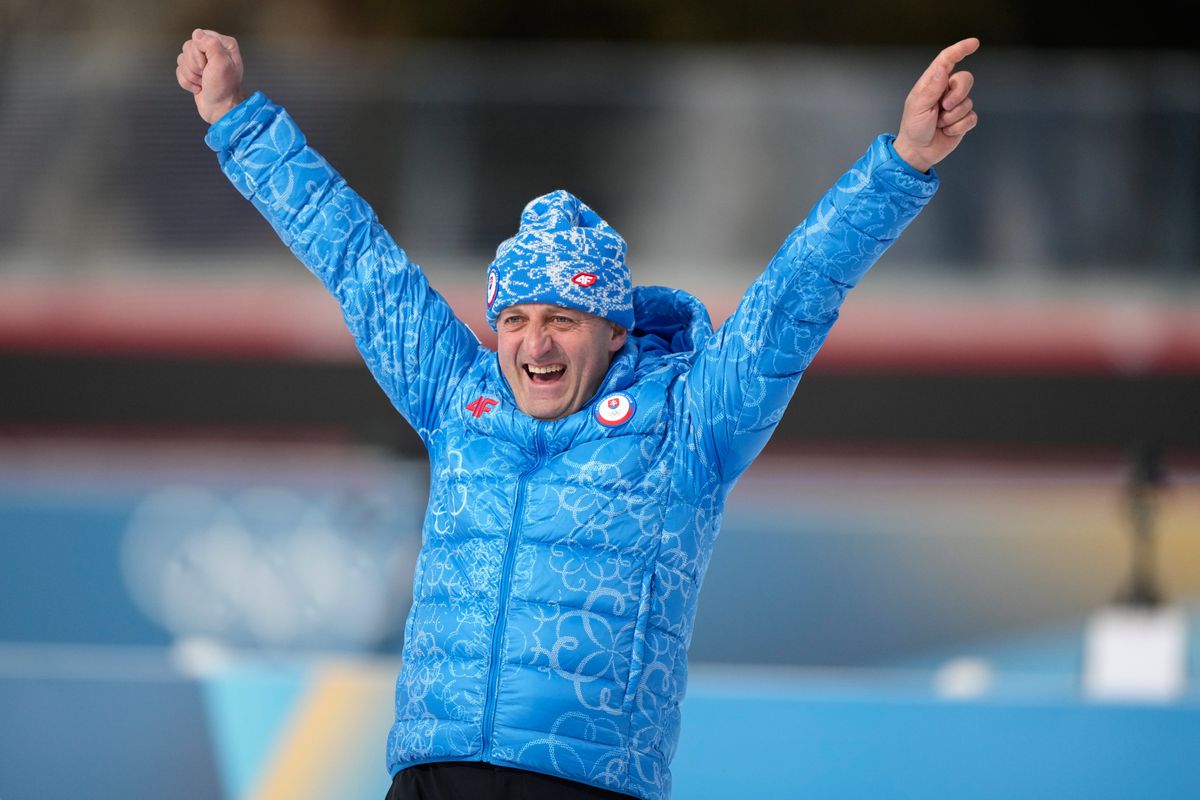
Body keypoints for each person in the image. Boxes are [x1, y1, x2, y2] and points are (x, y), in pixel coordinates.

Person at [177, 29, 978, 800]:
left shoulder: (689, 423)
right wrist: (238, 117)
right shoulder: (459, 399)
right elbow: (355, 258)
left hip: (587, 783)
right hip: (432, 770)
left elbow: (797, 294)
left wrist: (903, 164)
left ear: (614, 331)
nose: (534, 342)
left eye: (561, 318)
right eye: (516, 319)